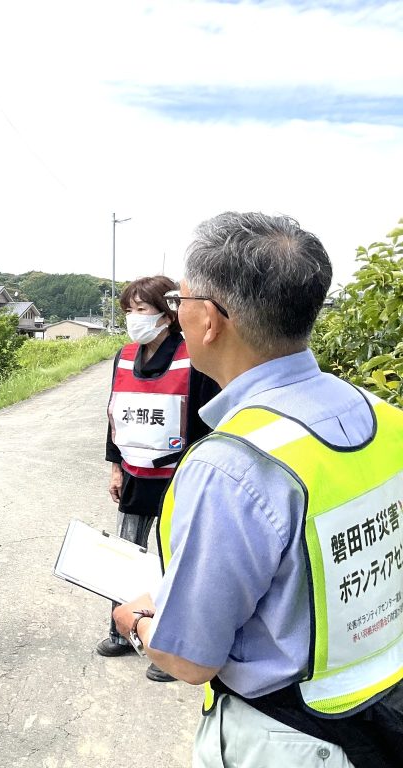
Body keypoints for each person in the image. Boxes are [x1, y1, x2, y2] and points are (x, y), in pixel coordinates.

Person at [114, 212, 403, 767]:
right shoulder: (383, 416)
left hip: (286, 740)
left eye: (180, 298)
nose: (176, 310)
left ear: (210, 319)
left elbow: (189, 659)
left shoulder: (232, 466)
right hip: (380, 717)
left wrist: (136, 621)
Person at [98, 275, 219, 683]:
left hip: (178, 475)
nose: (134, 318)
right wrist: (115, 464)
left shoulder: (192, 358)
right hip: (135, 471)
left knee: (174, 560)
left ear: (166, 315)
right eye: (129, 310)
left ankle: (167, 645)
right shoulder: (125, 355)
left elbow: (207, 422)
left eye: (142, 310)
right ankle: (120, 628)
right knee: (126, 554)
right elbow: (115, 413)